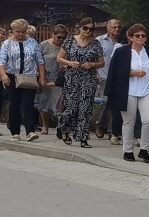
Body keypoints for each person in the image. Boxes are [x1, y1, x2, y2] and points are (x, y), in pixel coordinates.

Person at [104, 23, 149, 163]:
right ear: (130, 37)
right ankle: (128, 150)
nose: (140, 38)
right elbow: (115, 72)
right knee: (129, 121)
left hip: (146, 90)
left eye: (143, 35)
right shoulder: (122, 52)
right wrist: (133, 73)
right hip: (128, 90)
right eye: (137, 35)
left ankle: (144, 149)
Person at [56, 17, 105, 146]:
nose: (88, 31)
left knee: (85, 107)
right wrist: (70, 63)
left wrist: (92, 64)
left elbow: (102, 62)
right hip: (72, 77)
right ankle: (65, 129)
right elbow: (59, 58)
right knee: (71, 107)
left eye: (91, 29)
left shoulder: (95, 44)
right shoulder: (69, 41)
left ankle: (83, 137)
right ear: (80, 28)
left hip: (88, 78)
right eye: (85, 28)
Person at [0, 18, 43, 140]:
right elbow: (1, 61)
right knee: (14, 104)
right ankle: (15, 131)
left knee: (28, 104)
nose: (21, 34)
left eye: (23, 31)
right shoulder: (7, 43)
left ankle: (30, 131)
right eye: (18, 32)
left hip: (29, 76)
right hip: (12, 76)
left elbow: (40, 60)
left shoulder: (33, 42)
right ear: (13, 31)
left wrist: (42, 77)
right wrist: (3, 75)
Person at [95, 18, 124, 143]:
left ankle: (112, 131)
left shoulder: (122, 41)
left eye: (118, 27)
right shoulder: (99, 40)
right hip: (104, 75)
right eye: (114, 27)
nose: (116, 29)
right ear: (108, 28)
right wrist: (96, 72)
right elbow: (93, 57)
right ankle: (101, 125)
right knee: (106, 102)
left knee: (116, 105)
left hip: (119, 78)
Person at [35, 26, 63, 134]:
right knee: (44, 102)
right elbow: (38, 60)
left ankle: (60, 127)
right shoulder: (43, 45)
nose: (61, 40)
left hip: (59, 78)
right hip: (45, 76)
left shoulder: (65, 46)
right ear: (53, 34)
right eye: (59, 37)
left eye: (63, 38)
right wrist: (40, 76)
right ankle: (45, 126)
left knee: (59, 102)